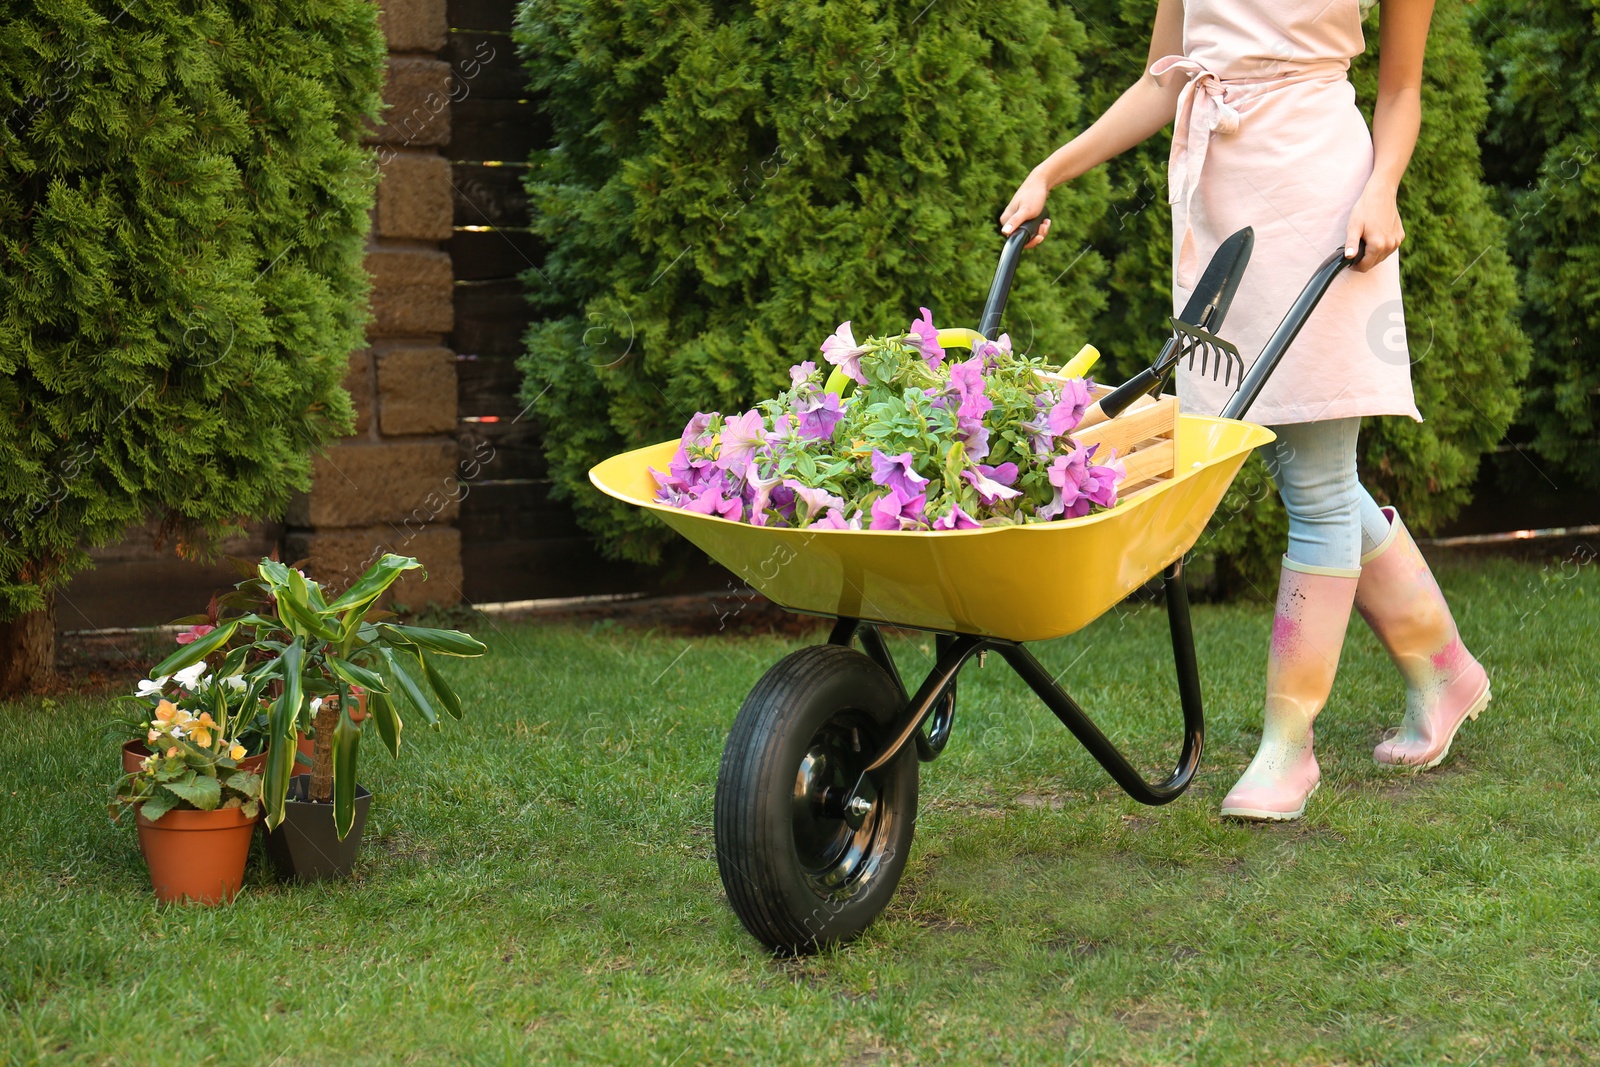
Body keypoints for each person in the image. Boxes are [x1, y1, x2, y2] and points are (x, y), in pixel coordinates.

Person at [999, 0, 1489, 821]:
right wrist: (1053, 169)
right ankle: (1445, 670)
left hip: (1326, 196)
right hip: (1223, 204)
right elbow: (1164, 79)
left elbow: (1401, 90)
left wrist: (1384, 189)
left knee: (1321, 480)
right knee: (1302, 466)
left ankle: (1287, 749)